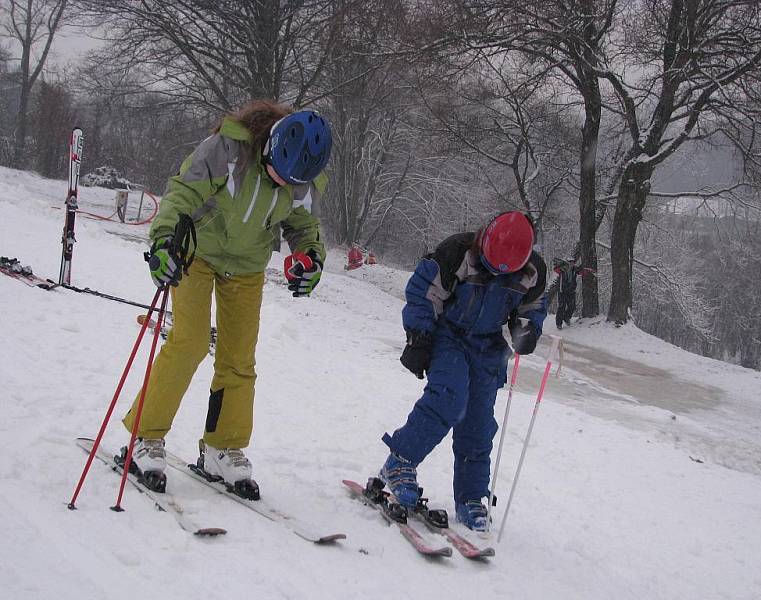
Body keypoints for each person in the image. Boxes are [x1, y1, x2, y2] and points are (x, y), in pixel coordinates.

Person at [120, 100, 332, 498]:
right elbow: (182, 193)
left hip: (248, 265)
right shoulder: (228, 149)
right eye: (277, 175)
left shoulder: (304, 175)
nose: (284, 185)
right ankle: (144, 437)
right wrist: (165, 240)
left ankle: (222, 446)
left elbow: (304, 227)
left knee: (239, 357)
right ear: (269, 147)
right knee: (190, 342)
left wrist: (310, 259)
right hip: (197, 251)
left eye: (292, 182)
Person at [375, 211, 548, 531]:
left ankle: (471, 497)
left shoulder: (531, 272)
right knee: (449, 397)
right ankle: (400, 462)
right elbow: (422, 293)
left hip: (488, 346)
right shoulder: (456, 253)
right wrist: (418, 338)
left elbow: (533, 307)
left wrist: (527, 330)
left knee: (479, 421)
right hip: (449, 335)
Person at [549, 257, 592, 330]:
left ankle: (566, 318)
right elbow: (556, 270)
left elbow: (581, 272)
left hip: (571, 290)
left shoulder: (574, 269)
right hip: (562, 290)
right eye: (570, 262)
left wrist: (586, 271)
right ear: (567, 262)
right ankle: (559, 323)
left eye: (573, 262)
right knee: (561, 307)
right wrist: (559, 266)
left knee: (572, 306)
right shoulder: (562, 269)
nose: (571, 264)